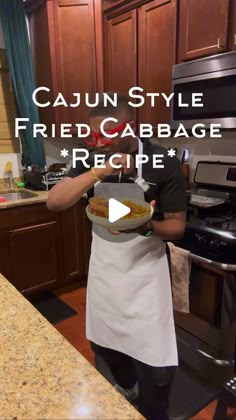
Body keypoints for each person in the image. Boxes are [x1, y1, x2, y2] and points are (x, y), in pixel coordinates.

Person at [47, 93, 187, 420]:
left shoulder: (162, 161)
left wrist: (145, 227)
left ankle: (154, 411)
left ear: (130, 128)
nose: (100, 145)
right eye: (93, 137)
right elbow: (55, 202)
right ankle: (127, 387)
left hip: (145, 274)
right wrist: (98, 172)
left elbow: (177, 226)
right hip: (105, 270)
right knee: (104, 346)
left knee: (156, 366)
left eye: (107, 137)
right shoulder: (92, 157)